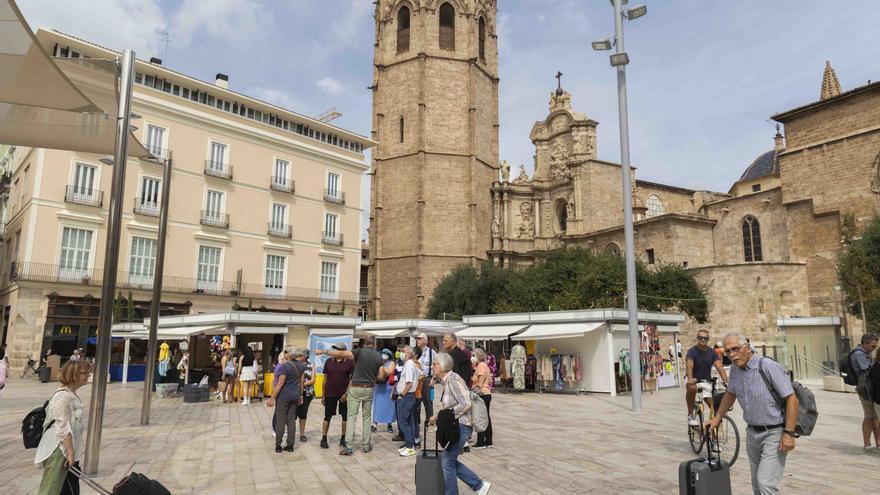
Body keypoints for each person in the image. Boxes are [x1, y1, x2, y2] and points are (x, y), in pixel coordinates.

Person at [709, 333, 798, 495]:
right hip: (752, 433)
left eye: (735, 349)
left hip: (774, 432)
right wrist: (717, 418)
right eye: (728, 351)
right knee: (757, 483)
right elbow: (730, 393)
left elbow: (792, 398)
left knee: (766, 484)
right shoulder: (735, 369)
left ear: (747, 347)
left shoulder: (767, 366)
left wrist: (789, 433)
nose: (732, 354)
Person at [428, 353, 492, 495]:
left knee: (447, 461)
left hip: (461, 426)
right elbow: (453, 405)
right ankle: (479, 485)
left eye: (435, 364)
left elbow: (466, 403)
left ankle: (477, 485)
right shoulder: (447, 380)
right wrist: (439, 417)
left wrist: (448, 417)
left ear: (443, 365)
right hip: (457, 425)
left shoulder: (453, 380)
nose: (433, 367)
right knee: (448, 460)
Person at [317, 337, 388, 455]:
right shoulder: (378, 357)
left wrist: (324, 352)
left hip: (356, 387)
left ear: (364, 344)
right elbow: (381, 376)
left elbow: (341, 353)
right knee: (366, 418)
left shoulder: (359, 352)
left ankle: (349, 447)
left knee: (351, 417)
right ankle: (365, 445)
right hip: (369, 388)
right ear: (374, 345)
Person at [34, 359, 92, 495]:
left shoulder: (71, 395)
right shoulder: (63, 397)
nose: (88, 375)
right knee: (51, 489)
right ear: (74, 374)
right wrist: (70, 452)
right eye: (85, 372)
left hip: (66, 449)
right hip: (59, 449)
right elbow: (62, 427)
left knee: (66, 489)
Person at [685, 329, 729, 426]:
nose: (703, 340)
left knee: (715, 410)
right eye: (700, 337)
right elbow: (689, 366)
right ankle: (690, 414)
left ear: (708, 339)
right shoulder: (692, 352)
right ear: (697, 338)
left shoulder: (712, 352)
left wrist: (726, 381)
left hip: (706, 382)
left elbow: (719, 367)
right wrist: (690, 378)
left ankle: (713, 437)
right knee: (691, 387)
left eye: (705, 338)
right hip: (695, 381)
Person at [267, 347, 303, 453]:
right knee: (291, 420)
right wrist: (301, 395)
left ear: (289, 354)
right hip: (295, 394)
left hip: (284, 395)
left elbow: (280, 383)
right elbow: (301, 382)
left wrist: (272, 398)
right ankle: (290, 445)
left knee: (280, 419)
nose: (284, 353)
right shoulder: (301, 365)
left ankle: (278, 445)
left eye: (285, 352)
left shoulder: (285, 366)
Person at [320, 343, 354, 449]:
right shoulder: (328, 361)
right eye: (333, 349)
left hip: (344, 394)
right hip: (330, 393)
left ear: (342, 351)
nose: (333, 351)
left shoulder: (350, 362)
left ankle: (343, 438)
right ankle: (324, 438)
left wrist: (347, 393)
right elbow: (325, 379)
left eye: (336, 349)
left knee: (345, 417)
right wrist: (323, 395)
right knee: (327, 417)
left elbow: (351, 380)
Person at [850, 333, 879, 452]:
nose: (874, 348)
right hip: (865, 389)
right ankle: (867, 444)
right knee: (869, 416)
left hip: (870, 388)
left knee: (874, 416)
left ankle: (876, 443)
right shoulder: (858, 354)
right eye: (873, 346)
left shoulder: (864, 353)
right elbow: (868, 370)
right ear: (865, 343)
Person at [395, 345, 421, 457]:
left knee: (403, 421)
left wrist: (402, 394)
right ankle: (409, 443)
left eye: (403, 351)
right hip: (409, 396)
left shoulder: (410, 364)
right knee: (409, 421)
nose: (400, 353)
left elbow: (409, 382)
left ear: (409, 354)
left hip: (407, 396)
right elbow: (421, 374)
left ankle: (410, 447)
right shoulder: (409, 364)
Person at [472, 348, 493, 449]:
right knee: (486, 417)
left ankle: (481, 441)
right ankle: (488, 440)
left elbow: (479, 384)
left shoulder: (480, 366)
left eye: (473, 355)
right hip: (487, 393)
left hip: (482, 394)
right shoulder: (485, 365)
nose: (472, 357)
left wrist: (474, 392)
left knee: (480, 417)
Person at [415, 332, 436, 431]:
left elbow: (437, 367)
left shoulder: (432, 352)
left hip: (427, 379)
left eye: (419, 339)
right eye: (417, 339)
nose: (417, 340)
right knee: (417, 403)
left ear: (424, 340)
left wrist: (433, 378)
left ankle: (430, 423)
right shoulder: (416, 352)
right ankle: (416, 424)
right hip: (417, 380)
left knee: (428, 403)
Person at [373, 348, 396, 434]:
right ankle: (375, 423)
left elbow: (389, 372)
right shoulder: (378, 362)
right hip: (379, 387)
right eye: (382, 353)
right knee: (377, 406)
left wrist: (382, 367)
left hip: (388, 387)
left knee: (388, 407)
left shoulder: (391, 363)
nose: (383, 355)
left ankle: (389, 424)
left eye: (385, 354)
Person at [295, 348, 316, 443]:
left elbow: (313, 380)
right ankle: (290, 432)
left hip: (306, 392)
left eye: (300, 355)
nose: (298, 356)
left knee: (303, 414)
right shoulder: (294, 364)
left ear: (305, 356)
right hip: (295, 391)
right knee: (293, 413)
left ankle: (302, 434)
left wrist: (302, 384)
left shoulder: (311, 365)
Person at [271, 350, 290, 437]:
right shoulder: (280, 367)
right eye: (285, 358)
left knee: (280, 412)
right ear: (281, 359)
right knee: (278, 412)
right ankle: (275, 430)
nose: (286, 360)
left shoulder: (280, 367)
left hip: (279, 391)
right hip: (278, 391)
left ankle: (278, 430)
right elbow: (278, 382)